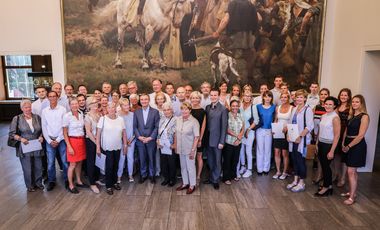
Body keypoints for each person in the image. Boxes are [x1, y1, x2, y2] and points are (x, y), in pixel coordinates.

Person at [9, 99, 44, 192]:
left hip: (37, 145)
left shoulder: (37, 117)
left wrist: (41, 137)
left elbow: (42, 130)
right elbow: (12, 134)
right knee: (27, 167)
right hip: (24, 145)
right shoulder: (17, 118)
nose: (28, 109)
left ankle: (38, 183)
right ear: (21, 108)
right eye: (25, 107)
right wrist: (21, 139)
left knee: (38, 166)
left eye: (29, 107)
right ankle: (30, 185)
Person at [341, 95, 369, 205]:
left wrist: (349, 146)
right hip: (348, 143)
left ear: (361, 103)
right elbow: (346, 131)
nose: (354, 104)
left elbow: (361, 135)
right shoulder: (352, 115)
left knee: (350, 171)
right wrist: (343, 142)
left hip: (357, 146)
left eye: (357, 102)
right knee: (353, 171)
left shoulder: (364, 116)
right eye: (353, 102)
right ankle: (353, 192)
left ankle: (352, 197)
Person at [96, 102, 127, 195]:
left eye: (113, 107)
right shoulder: (103, 119)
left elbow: (124, 133)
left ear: (115, 108)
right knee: (109, 167)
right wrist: (98, 147)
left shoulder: (121, 119)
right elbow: (98, 134)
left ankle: (114, 183)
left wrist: (125, 145)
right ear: (107, 109)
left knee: (115, 165)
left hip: (117, 146)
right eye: (109, 107)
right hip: (107, 148)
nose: (111, 109)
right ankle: (108, 186)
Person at [286, 89, 314, 192]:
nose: (299, 99)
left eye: (301, 97)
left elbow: (309, 126)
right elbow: (291, 123)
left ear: (305, 98)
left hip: (301, 140)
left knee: (300, 161)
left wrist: (300, 137)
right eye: (297, 97)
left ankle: (301, 183)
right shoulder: (294, 109)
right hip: (293, 139)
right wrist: (288, 135)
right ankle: (295, 180)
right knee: (294, 159)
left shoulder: (308, 110)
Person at [41, 91, 69, 191]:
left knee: (65, 162)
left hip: (61, 139)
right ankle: (52, 180)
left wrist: (57, 139)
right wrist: (49, 140)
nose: (52, 98)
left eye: (54, 96)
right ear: (48, 98)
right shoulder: (44, 111)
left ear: (57, 97)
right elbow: (44, 127)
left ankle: (67, 180)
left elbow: (64, 126)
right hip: (49, 140)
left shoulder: (63, 109)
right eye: (50, 96)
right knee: (50, 162)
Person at [314, 96, 340, 197]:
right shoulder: (324, 115)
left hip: (329, 145)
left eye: (330, 104)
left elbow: (337, 135)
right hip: (321, 143)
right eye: (326, 104)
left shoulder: (335, 117)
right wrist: (316, 143)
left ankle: (326, 187)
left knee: (326, 166)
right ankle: (328, 186)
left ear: (334, 106)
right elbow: (320, 130)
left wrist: (332, 151)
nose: (328, 106)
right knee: (324, 166)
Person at [204, 89, 228, 190]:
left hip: (217, 140)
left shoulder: (223, 109)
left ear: (218, 96)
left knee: (217, 160)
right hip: (208, 139)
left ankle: (216, 180)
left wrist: (222, 141)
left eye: (215, 95)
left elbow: (224, 126)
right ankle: (211, 177)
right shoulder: (207, 107)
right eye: (212, 95)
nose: (213, 97)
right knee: (210, 160)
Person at [133, 94, 160, 184]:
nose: (144, 101)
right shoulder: (136, 112)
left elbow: (157, 127)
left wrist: (151, 137)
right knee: (142, 158)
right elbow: (135, 126)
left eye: (145, 99)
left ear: (149, 100)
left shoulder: (155, 112)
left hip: (151, 140)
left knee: (151, 158)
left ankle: (152, 175)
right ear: (140, 101)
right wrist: (139, 137)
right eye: (142, 99)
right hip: (140, 140)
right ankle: (143, 174)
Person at [63, 98, 87, 194]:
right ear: (69, 105)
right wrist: (69, 146)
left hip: (81, 141)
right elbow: (64, 133)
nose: (74, 105)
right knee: (72, 164)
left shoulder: (81, 114)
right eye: (72, 104)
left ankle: (79, 181)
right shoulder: (67, 116)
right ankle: (71, 185)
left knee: (79, 162)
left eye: (76, 103)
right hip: (72, 141)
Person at [175, 102, 200, 194]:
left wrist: (193, 150)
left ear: (190, 110)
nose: (184, 111)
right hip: (181, 148)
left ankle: (192, 185)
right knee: (183, 167)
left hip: (190, 149)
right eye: (182, 109)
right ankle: (185, 183)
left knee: (191, 167)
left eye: (186, 109)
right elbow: (176, 133)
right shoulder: (178, 120)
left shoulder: (194, 122)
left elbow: (197, 137)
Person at [237, 91, 259, 178]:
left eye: (249, 96)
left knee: (248, 150)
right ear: (243, 96)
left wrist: (248, 130)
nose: (247, 97)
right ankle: (243, 166)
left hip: (249, 132)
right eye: (246, 96)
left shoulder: (253, 107)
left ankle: (249, 169)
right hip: (240, 131)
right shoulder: (240, 106)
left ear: (251, 98)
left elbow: (256, 121)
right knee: (241, 149)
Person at [223, 99, 244, 184]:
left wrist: (239, 138)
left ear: (238, 107)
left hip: (238, 142)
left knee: (235, 160)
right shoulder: (227, 115)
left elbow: (243, 127)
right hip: (229, 142)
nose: (235, 107)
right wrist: (237, 136)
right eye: (233, 106)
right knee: (227, 160)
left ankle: (233, 175)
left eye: (236, 106)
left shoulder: (240, 115)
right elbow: (226, 129)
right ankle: (226, 178)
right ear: (230, 107)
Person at [273, 93, 293, 180]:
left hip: (287, 132)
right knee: (277, 152)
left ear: (288, 98)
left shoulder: (292, 108)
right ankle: (278, 171)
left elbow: (293, 121)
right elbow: (276, 119)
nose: (284, 99)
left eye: (285, 97)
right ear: (280, 98)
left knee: (285, 153)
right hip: (278, 131)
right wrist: (274, 128)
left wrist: (287, 127)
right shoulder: (278, 108)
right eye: (282, 97)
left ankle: (285, 172)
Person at [312, 88, 329, 184]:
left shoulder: (329, 108)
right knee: (318, 156)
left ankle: (323, 176)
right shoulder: (317, 107)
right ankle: (319, 174)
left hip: (326, 135)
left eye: (325, 94)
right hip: (316, 134)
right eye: (321, 94)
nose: (323, 96)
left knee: (325, 157)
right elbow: (313, 120)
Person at [256, 91, 276, 175]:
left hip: (269, 130)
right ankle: (259, 169)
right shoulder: (258, 107)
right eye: (266, 96)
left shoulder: (274, 107)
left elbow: (275, 119)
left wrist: (274, 129)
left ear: (271, 98)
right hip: (260, 130)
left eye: (269, 97)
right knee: (260, 149)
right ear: (263, 97)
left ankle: (266, 169)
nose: (267, 98)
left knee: (267, 150)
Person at [335, 88, 352, 187]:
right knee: (336, 155)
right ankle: (337, 174)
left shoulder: (350, 107)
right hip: (336, 132)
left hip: (345, 132)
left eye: (345, 95)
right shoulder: (337, 106)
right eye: (342, 95)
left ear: (349, 97)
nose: (343, 97)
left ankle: (343, 178)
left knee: (344, 157)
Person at [157, 102, 176, 187]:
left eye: (168, 109)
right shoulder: (162, 119)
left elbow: (176, 133)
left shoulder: (176, 119)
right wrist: (158, 140)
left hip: (170, 144)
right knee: (163, 163)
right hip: (162, 145)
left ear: (171, 110)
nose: (166, 111)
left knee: (171, 163)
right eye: (164, 110)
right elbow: (159, 131)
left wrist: (174, 144)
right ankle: (166, 178)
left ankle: (172, 179)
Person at [117, 98, 136, 183]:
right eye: (124, 105)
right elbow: (116, 129)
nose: (127, 106)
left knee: (130, 157)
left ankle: (130, 174)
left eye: (128, 104)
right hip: (120, 140)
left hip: (131, 140)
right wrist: (123, 140)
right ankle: (119, 176)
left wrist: (131, 139)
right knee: (121, 158)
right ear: (121, 106)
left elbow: (136, 128)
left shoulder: (133, 115)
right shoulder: (117, 115)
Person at [189, 91, 206, 183]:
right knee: (190, 156)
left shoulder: (203, 111)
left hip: (198, 138)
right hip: (188, 138)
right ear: (190, 99)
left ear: (200, 99)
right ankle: (191, 173)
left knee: (199, 156)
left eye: (197, 98)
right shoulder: (188, 109)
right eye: (193, 98)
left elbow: (203, 127)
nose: (195, 99)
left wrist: (200, 139)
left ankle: (198, 175)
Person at [84, 102, 101, 193]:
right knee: (91, 162)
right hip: (91, 141)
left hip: (98, 141)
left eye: (96, 103)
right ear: (89, 106)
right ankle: (92, 183)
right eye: (93, 103)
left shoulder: (99, 114)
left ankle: (96, 179)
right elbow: (88, 132)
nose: (95, 105)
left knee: (98, 160)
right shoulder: (87, 117)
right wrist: (96, 143)